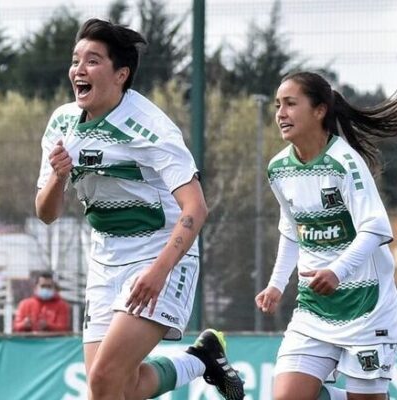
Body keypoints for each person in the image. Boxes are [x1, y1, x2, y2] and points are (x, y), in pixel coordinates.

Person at [35, 18, 243, 400]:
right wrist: (57, 177)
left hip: (159, 257)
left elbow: (196, 207)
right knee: (114, 389)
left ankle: (202, 357)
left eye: (93, 61)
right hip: (104, 260)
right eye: (76, 60)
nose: (79, 70)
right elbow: (46, 213)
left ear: (121, 74)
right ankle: (202, 359)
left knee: (105, 380)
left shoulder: (150, 128)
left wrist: (158, 273)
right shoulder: (62, 123)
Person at [254, 71, 397, 400]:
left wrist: (337, 270)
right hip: (314, 307)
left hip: (367, 307)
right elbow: (292, 229)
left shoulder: (345, 162)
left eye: (291, 104)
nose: (280, 113)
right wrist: (277, 284)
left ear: (319, 110)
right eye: (278, 105)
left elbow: (376, 227)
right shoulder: (278, 168)